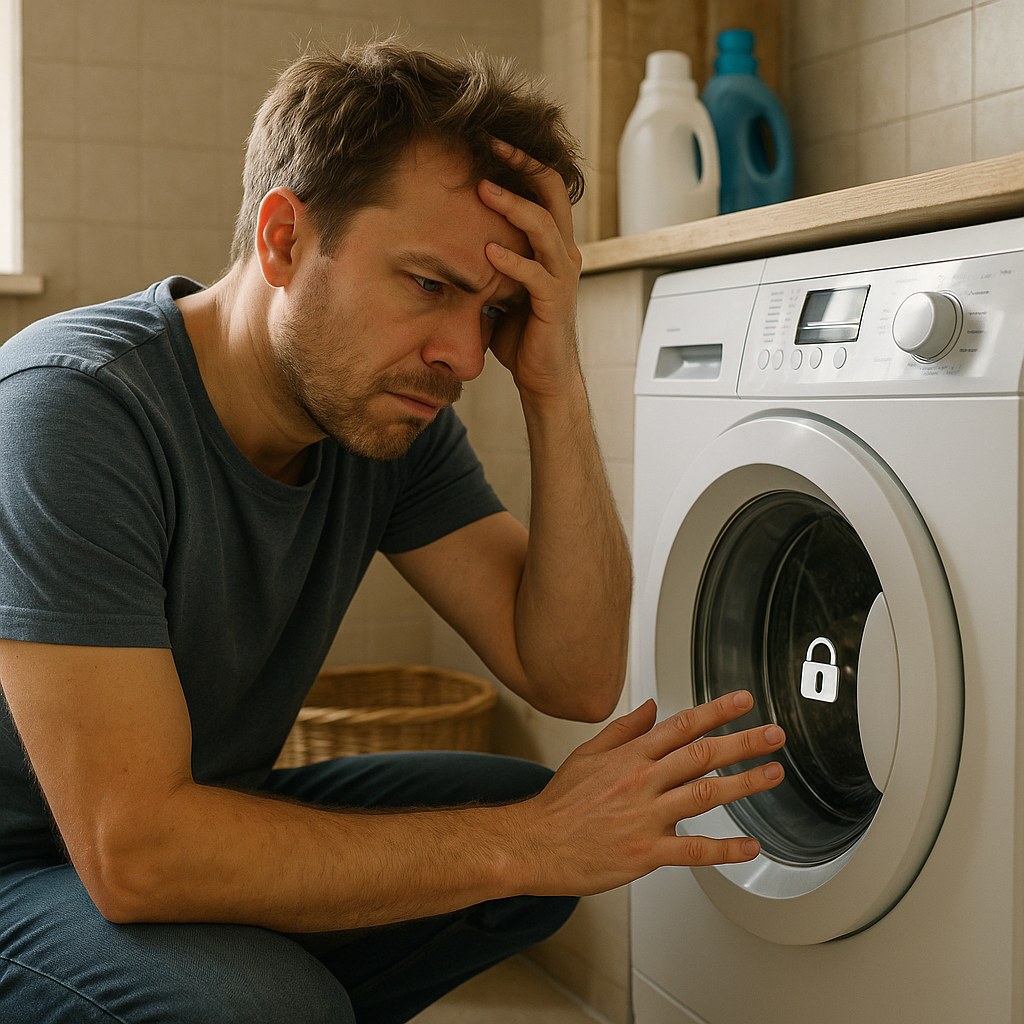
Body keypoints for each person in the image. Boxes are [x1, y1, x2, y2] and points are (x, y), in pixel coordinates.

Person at [0, 40, 785, 1024]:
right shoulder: (74, 407)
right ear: (284, 239)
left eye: (491, 309)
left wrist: (554, 381)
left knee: (516, 816)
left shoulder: (386, 421)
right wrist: (530, 839)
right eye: (427, 285)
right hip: (30, 865)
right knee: (273, 1000)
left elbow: (574, 675)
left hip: (171, 823)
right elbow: (134, 852)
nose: (461, 355)